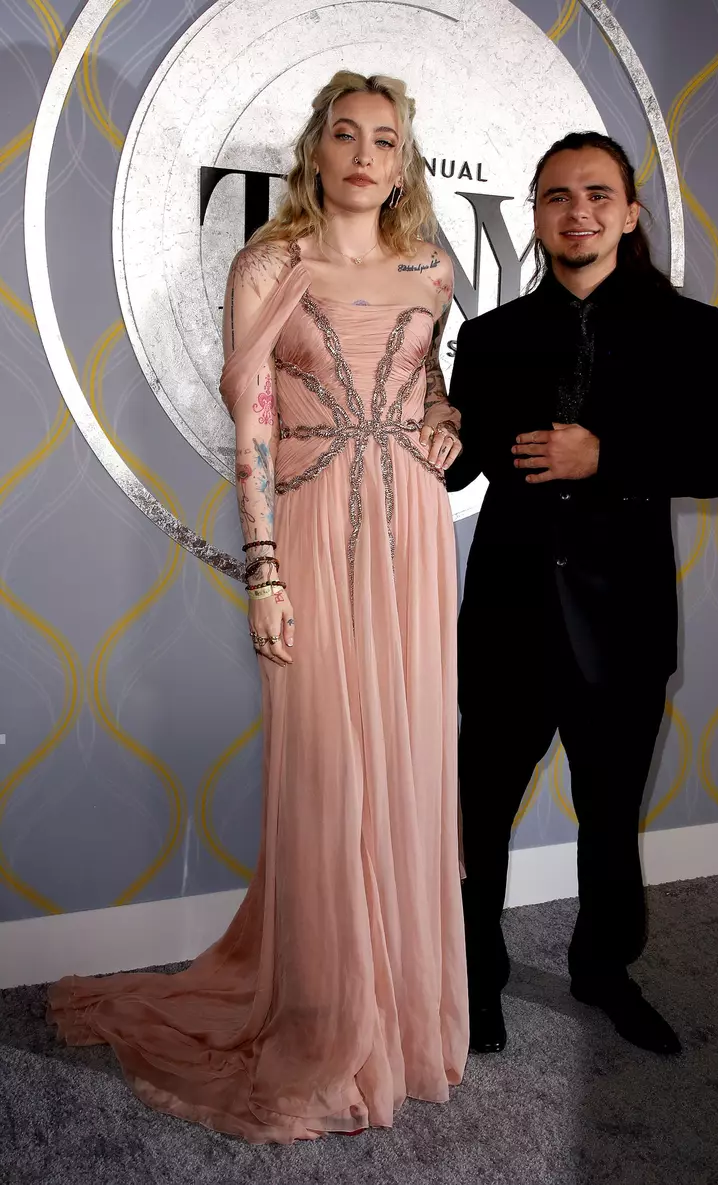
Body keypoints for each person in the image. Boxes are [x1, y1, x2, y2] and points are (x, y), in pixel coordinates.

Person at [49, 71, 468, 1142]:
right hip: (314, 528)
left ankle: (399, 1019)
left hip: (415, 535)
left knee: (409, 761)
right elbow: (254, 430)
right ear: (316, 150)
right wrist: (266, 572)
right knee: (328, 773)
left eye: (385, 138)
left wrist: (447, 418)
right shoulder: (269, 264)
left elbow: (428, 385)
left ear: (404, 162)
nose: (365, 154)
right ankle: (327, 1020)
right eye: (346, 134)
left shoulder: (431, 267)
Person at [446, 131, 718, 1057]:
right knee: (478, 816)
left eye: (596, 195)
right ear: (536, 216)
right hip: (506, 616)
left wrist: (606, 457)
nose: (576, 211)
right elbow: (459, 466)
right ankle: (475, 975)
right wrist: (417, 417)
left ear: (627, 214)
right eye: (556, 196)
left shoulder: (688, 329)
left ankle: (603, 969)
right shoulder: (490, 337)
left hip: (624, 624)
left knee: (612, 817)